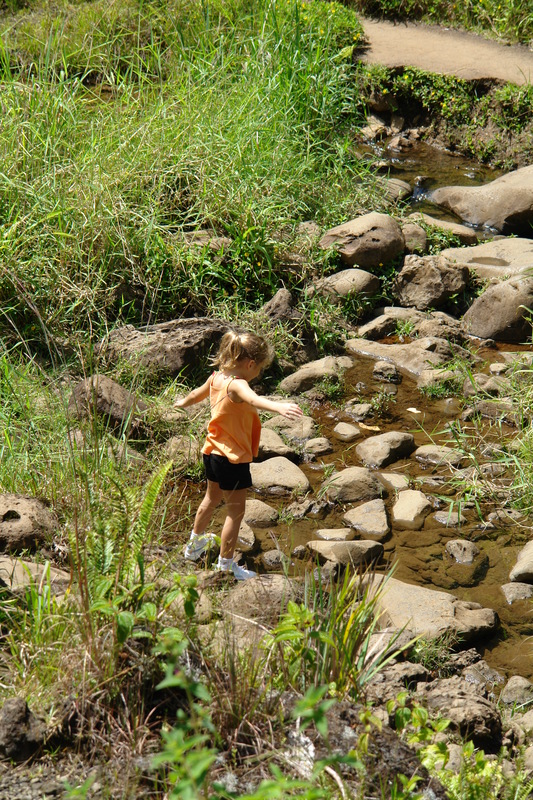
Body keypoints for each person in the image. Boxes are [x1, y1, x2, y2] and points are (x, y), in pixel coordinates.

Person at [174, 330, 303, 580]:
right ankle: (225, 566)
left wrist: (181, 403)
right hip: (232, 458)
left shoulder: (216, 378)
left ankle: (193, 547)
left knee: (210, 499)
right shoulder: (238, 384)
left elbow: (194, 396)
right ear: (251, 364)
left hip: (211, 451)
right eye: (260, 368)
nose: (258, 373)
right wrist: (279, 406)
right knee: (236, 513)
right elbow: (253, 399)